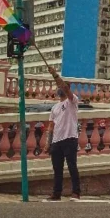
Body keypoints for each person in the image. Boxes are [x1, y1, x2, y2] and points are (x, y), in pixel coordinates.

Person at [43, 66, 81, 201]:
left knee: (72, 166)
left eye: (63, 87)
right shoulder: (54, 108)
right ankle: (56, 193)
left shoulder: (72, 101)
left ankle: (76, 192)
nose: (60, 89)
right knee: (57, 169)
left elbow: (65, 88)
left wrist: (55, 75)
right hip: (57, 141)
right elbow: (51, 126)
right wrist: (48, 143)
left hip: (70, 138)